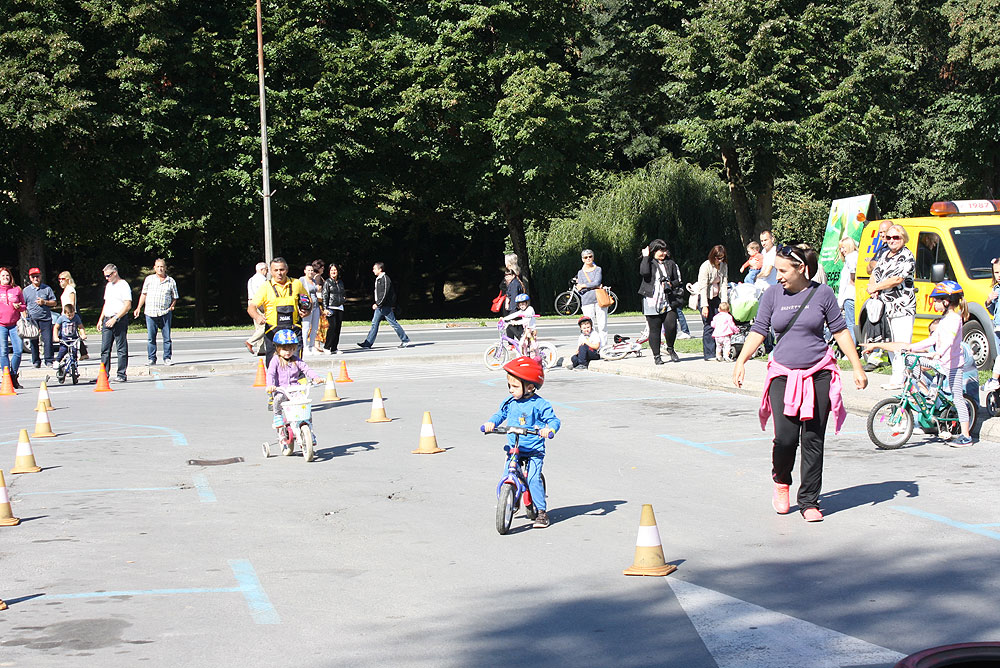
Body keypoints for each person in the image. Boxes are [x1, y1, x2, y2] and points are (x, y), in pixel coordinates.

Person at [733, 244, 867, 523]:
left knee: (813, 438)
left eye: (783, 270)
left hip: (818, 372)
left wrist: (857, 367)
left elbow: (840, 331)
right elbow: (759, 330)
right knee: (785, 437)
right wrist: (741, 360)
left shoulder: (823, 294)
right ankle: (782, 481)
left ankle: (809, 501)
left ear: (801, 269)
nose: (777, 275)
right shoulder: (772, 295)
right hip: (783, 373)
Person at [865, 281, 974, 446]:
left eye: (937, 300)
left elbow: (949, 341)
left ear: (946, 301)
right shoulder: (944, 320)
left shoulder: (954, 319)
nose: (934, 303)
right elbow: (933, 339)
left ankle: (966, 436)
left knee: (957, 397)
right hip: (940, 362)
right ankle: (925, 393)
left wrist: (938, 353)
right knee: (911, 361)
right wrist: (911, 347)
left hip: (952, 365)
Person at [482, 356, 561, 529]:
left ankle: (541, 512)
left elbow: (554, 421)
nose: (511, 390)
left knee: (532, 479)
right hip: (514, 448)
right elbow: (499, 415)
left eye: (515, 386)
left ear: (530, 387)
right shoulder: (510, 402)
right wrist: (491, 423)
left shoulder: (540, 404)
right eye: (509, 385)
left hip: (533, 450)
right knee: (506, 474)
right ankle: (511, 497)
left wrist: (549, 430)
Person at [867, 224, 916, 389]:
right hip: (885, 308)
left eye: (896, 237)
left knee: (901, 343)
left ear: (903, 238)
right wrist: (872, 287)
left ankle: (902, 379)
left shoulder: (907, 255)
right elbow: (874, 274)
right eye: (889, 237)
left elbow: (897, 279)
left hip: (902, 306)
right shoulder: (885, 255)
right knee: (889, 342)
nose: (892, 241)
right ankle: (896, 377)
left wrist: (877, 287)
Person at [265, 329, 324, 456]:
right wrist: (270, 385)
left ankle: (309, 429)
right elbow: (270, 373)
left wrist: (316, 377)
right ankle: (277, 416)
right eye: (285, 349)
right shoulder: (275, 360)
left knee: (305, 405)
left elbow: (306, 369)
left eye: (292, 349)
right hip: (281, 389)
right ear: (277, 348)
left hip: (295, 389)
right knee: (278, 398)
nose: (289, 352)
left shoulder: (296, 360)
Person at [247, 257, 310, 366]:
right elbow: (251, 307)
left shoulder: (296, 283)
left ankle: (298, 380)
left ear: (287, 269)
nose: (279, 273)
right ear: (270, 271)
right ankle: (274, 382)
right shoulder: (266, 286)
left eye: (282, 270)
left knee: (297, 363)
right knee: (272, 364)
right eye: (275, 270)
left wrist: (306, 310)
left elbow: (307, 300)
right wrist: (257, 317)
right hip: (273, 329)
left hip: (293, 328)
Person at [639, 239, 683, 364]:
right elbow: (644, 273)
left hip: (668, 300)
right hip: (652, 300)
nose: (662, 253)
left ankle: (670, 348)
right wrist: (645, 256)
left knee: (671, 326)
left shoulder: (671, 263)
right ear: (653, 251)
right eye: (659, 250)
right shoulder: (649, 262)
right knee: (655, 329)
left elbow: (678, 281)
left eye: (664, 250)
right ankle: (657, 356)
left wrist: (670, 284)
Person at [133, 258, 179, 366]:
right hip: (150, 312)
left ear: (165, 268)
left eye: (162, 266)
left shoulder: (170, 281)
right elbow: (144, 294)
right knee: (151, 338)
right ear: (154, 268)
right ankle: (151, 359)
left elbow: (175, 297)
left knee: (167, 338)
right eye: (158, 267)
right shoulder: (149, 279)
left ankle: (167, 358)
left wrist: (172, 306)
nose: (160, 269)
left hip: (165, 313)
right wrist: (138, 307)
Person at [357, 262, 410, 349]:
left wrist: (378, 304)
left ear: (380, 269)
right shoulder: (378, 279)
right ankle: (368, 343)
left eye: (374, 269)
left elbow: (385, 293)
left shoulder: (385, 279)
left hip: (385, 307)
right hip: (380, 307)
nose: (373, 270)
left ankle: (405, 340)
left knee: (393, 323)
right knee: (374, 324)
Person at [97, 264, 132, 383]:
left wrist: (115, 318)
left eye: (108, 275)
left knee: (121, 348)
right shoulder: (108, 286)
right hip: (107, 318)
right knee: (104, 349)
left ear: (115, 273)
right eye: (105, 276)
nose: (107, 278)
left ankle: (121, 374)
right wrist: (101, 319)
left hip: (119, 319)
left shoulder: (123, 285)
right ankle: (104, 375)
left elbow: (127, 305)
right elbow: (106, 303)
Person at [697, 245, 730, 361]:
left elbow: (724, 284)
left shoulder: (723, 266)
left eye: (721, 258)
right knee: (708, 324)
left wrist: (724, 303)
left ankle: (719, 351)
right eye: (717, 258)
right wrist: (704, 305)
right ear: (712, 256)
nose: (719, 260)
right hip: (705, 297)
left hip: (717, 297)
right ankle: (709, 353)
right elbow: (703, 286)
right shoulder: (705, 266)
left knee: (720, 324)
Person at [23, 268, 57, 369]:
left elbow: (54, 302)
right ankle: (36, 361)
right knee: (33, 340)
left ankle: (49, 360)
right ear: (30, 278)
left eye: (37, 276)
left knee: (47, 340)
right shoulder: (26, 291)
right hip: (32, 319)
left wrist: (44, 302)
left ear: (41, 276)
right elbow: (23, 306)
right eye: (33, 276)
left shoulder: (47, 289)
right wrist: (26, 318)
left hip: (45, 318)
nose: (35, 278)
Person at [0, 266, 26, 389]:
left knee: (18, 350)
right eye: (3, 276)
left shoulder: (16, 289)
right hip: (1, 325)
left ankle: (13, 374)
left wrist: (19, 307)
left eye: (7, 275)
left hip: (15, 324)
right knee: (3, 351)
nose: (5, 277)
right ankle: (6, 378)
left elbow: (24, 306)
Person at [576, 249, 608, 346]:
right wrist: (593, 286)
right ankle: (592, 346)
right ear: (582, 259)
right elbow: (580, 289)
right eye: (586, 257)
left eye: (590, 256)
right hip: (586, 301)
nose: (588, 259)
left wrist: (584, 285)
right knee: (589, 326)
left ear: (593, 257)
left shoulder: (598, 269)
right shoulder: (580, 272)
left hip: (599, 300)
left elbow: (597, 282)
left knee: (602, 325)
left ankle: (604, 347)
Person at [57, 270, 87, 359]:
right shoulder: (66, 289)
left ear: (67, 279)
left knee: (72, 334)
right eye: (59, 279)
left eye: (62, 279)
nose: (60, 281)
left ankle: (79, 353)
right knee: (73, 333)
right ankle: (83, 352)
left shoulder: (70, 289)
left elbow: (72, 303)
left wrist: (70, 314)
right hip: (65, 314)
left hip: (71, 314)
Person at [53, 302, 86, 381]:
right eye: (69, 315)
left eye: (72, 315)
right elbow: (56, 327)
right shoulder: (62, 318)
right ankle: (57, 361)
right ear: (65, 313)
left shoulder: (76, 317)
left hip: (73, 338)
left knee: (74, 351)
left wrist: (83, 334)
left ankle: (74, 368)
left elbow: (81, 327)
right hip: (64, 339)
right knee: (63, 350)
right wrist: (56, 337)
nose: (70, 317)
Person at [837, 238, 859, 344]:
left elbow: (851, 276)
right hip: (856, 296)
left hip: (850, 296)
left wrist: (840, 303)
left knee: (850, 324)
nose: (842, 250)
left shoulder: (851, 257)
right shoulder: (858, 255)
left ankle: (852, 348)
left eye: (843, 247)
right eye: (840, 248)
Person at [321, 263, 345, 354]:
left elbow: (342, 293)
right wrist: (325, 308)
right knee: (332, 327)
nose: (333, 272)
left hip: (340, 307)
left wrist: (343, 299)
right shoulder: (327, 282)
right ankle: (327, 347)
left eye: (335, 270)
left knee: (338, 328)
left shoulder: (340, 282)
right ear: (329, 272)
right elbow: (325, 296)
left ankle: (334, 348)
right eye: (332, 270)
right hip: (331, 307)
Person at [245, 262, 269, 355]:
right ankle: (250, 342)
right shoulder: (262, 280)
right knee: (264, 326)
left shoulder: (251, 279)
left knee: (258, 326)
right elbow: (261, 294)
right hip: (258, 303)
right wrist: (263, 307)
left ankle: (261, 349)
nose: (267, 271)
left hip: (251, 302)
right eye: (266, 269)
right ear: (262, 270)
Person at [300, 264, 321, 356]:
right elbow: (299, 293)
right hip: (307, 306)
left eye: (312, 270)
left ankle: (312, 346)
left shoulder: (313, 281)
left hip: (316, 305)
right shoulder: (302, 280)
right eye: (308, 270)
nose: (310, 272)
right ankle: (305, 347)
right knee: (306, 327)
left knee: (315, 327)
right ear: (305, 271)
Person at [311, 259, 328, 354]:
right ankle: (316, 344)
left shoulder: (315, 277)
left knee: (318, 324)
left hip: (318, 304)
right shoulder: (318, 278)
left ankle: (316, 344)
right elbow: (318, 291)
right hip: (319, 304)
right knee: (319, 324)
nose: (323, 269)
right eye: (322, 267)